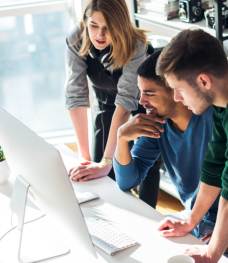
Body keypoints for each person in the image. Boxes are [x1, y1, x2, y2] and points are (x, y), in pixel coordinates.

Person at [65, 0, 161, 208]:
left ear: (121, 25)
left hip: (140, 108)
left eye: (108, 28)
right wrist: (85, 158)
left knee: (143, 166)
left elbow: (126, 104)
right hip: (105, 105)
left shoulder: (137, 45)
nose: (99, 35)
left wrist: (106, 163)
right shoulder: (76, 39)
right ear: (85, 22)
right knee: (100, 173)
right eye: (94, 26)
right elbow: (76, 95)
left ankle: (146, 217)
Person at [113, 50, 219, 240]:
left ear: (175, 90)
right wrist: (121, 138)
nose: (141, 101)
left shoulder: (213, 119)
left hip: (218, 224)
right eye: (141, 92)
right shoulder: (157, 124)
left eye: (149, 93)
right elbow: (127, 181)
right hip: (192, 218)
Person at [156, 28, 228, 262]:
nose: (176, 98)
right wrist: (190, 221)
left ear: (203, 81)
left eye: (178, 90)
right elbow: (216, 164)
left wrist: (212, 252)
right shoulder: (220, 101)